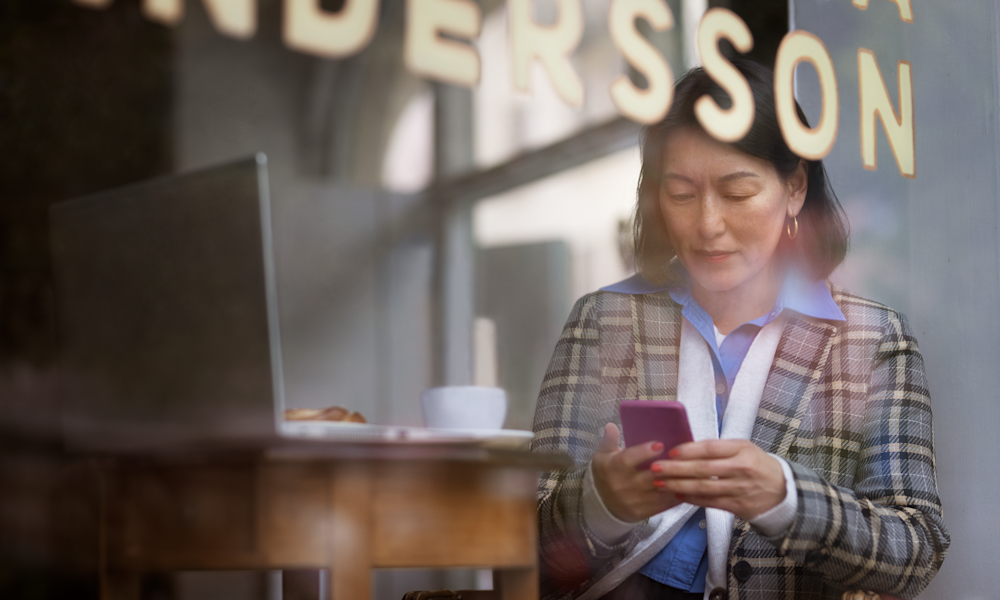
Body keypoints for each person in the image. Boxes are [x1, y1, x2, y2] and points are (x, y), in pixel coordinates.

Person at [530, 60, 950, 600]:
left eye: (737, 192)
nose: (707, 224)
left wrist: (788, 498)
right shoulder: (603, 319)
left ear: (794, 188)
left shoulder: (869, 339)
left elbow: (916, 551)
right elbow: (524, 533)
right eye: (681, 195)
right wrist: (599, 504)